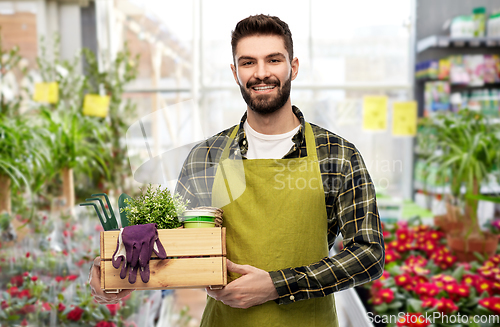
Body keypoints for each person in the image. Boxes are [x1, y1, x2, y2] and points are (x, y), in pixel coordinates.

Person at [89, 14, 385, 327]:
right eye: (248, 62)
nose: (261, 73)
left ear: (293, 67)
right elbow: (173, 248)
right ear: (235, 72)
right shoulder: (207, 157)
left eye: (273, 60)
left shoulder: (337, 154)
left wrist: (277, 285)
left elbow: (368, 254)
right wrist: (117, 264)